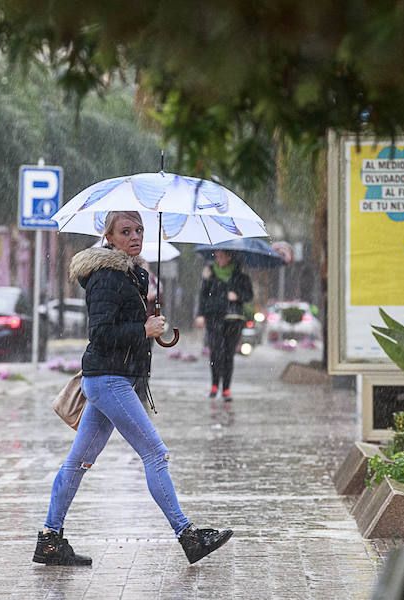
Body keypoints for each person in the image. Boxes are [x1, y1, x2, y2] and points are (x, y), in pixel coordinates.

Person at [33, 210, 233, 566]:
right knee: (155, 454)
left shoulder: (129, 275)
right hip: (109, 379)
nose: (135, 235)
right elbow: (101, 334)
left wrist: (148, 320)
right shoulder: (109, 277)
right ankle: (188, 536)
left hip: (110, 377)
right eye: (125, 231)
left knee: (78, 461)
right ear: (108, 237)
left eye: (139, 229)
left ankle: (50, 539)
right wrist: (144, 330)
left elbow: (120, 326)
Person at [195, 249, 254, 402]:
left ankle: (226, 388)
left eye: (221, 256)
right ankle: (215, 384)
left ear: (230, 256)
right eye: (217, 256)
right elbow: (202, 296)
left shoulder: (240, 273)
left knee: (228, 354)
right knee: (215, 352)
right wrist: (200, 315)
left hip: (234, 319)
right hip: (214, 317)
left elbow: (249, 295)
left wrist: (237, 295)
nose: (218, 259)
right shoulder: (209, 273)